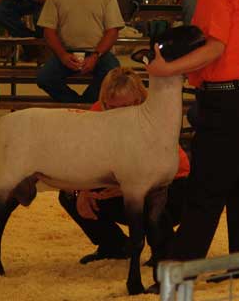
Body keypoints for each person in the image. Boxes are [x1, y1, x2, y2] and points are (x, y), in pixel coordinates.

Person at [145, 0, 239, 292]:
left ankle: (176, 274)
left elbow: (215, 49)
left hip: (225, 102)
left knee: (204, 192)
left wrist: (166, 68)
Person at [59, 67, 190, 265]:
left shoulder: (154, 117)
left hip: (171, 186)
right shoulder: (96, 113)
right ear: (104, 102)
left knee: (148, 197)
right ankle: (114, 246)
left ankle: (163, 251)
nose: (118, 113)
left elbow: (160, 171)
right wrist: (83, 190)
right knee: (69, 195)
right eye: (112, 107)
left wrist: (122, 189)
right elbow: (84, 158)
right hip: (120, 180)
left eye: (126, 107)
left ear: (139, 100)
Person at [36, 0, 124, 103]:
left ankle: (84, 106)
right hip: (66, 52)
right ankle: (77, 104)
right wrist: (62, 55)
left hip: (98, 53)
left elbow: (113, 31)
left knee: (113, 73)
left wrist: (96, 56)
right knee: (44, 78)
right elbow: (48, 30)